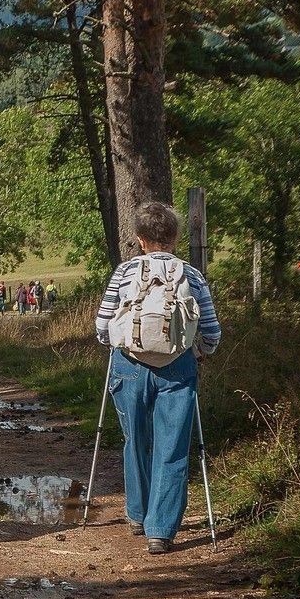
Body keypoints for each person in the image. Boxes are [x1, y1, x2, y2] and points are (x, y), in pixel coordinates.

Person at [95, 201, 221, 555]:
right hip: (178, 367)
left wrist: (115, 344)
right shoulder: (192, 276)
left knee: (135, 438)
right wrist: (200, 353)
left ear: (139, 239)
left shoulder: (124, 272)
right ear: (176, 238)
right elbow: (211, 332)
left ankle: (137, 513)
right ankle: (160, 531)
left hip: (129, 366)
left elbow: (103, 326)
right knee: (173, 447)